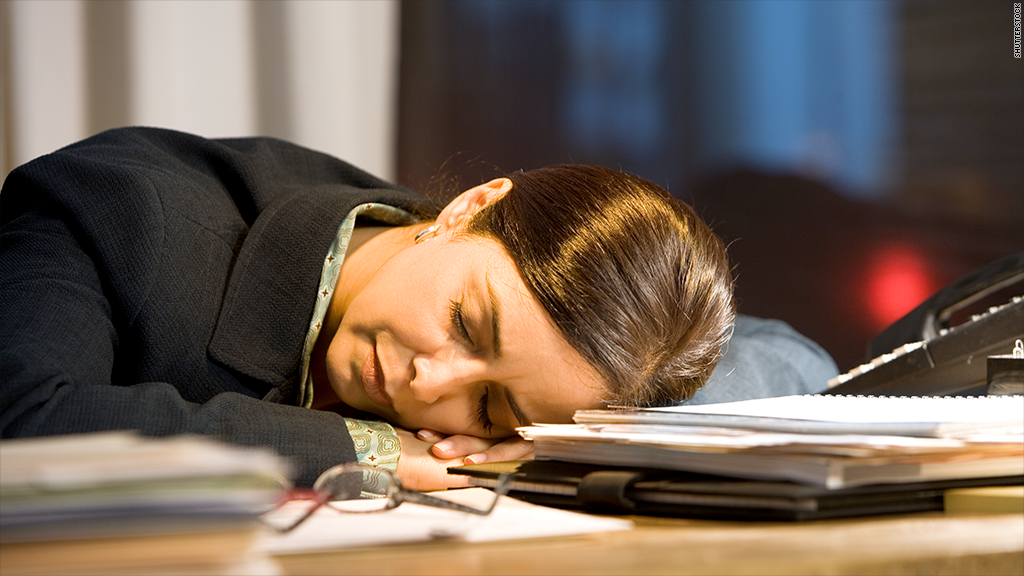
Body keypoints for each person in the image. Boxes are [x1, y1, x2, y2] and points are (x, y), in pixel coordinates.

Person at [0, 127, 834, 490]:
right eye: (469, 325)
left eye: (490, 404)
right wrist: (365, 446)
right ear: (468, 207)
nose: (429, 385)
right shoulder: (118, 209)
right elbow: (23, 416)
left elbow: (787, 360)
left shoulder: (572, 381)